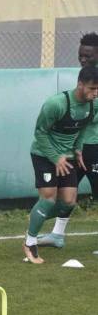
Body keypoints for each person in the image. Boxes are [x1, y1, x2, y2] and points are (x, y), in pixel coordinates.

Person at [24, 65, 98, 264]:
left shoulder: (91, 105)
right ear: (80, 85)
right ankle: (30, 243)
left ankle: (36, 215)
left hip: (68, 157)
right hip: (44, 154)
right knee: (48, 199)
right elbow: (40, 133)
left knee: (69, 202)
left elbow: (83, 127)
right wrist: (56, 157)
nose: (95, 93)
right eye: (92, 89)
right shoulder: (56, 104)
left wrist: (79, 149)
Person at [40, 32, 98, 248]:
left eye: (88, 56)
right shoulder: (85, 77)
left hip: (95, 145)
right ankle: (57, 235)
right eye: (80, 55)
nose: (83, 59)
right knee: (67, 193)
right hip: (79, 147)